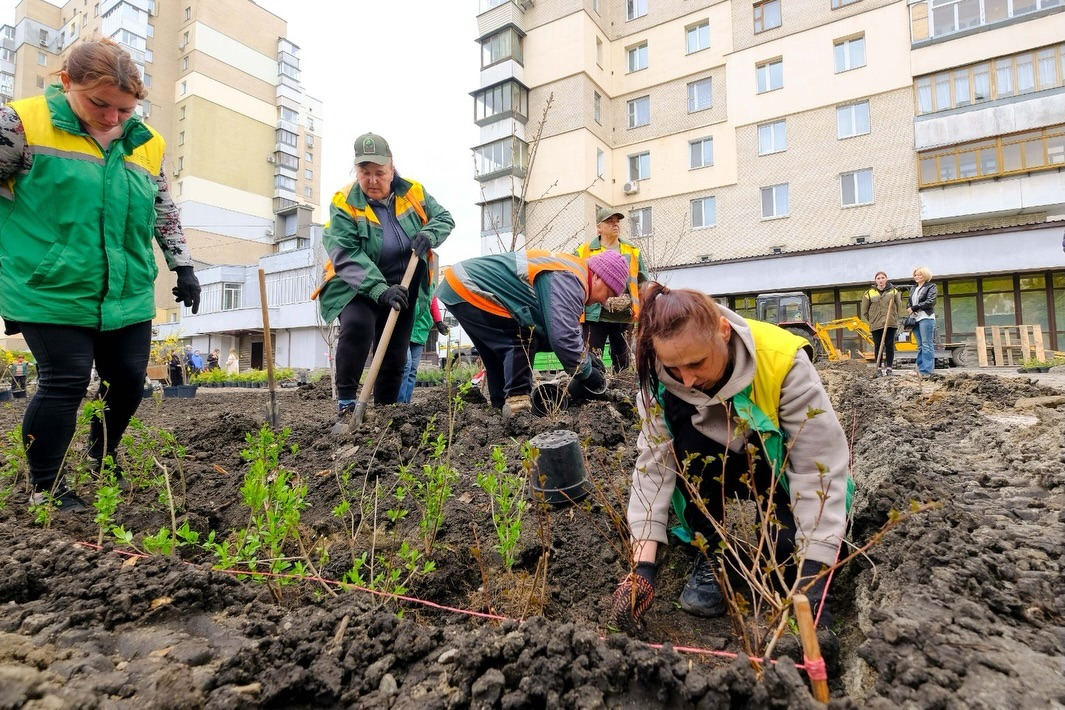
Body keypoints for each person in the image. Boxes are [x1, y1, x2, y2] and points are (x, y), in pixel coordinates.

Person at [0, 39, 200, 512]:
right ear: (67, 83)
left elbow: (162, 206)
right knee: (65, 380)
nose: (112, 118)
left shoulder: (147, 142)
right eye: (99, 104)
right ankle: (46, 489)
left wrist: (183, 264)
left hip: (127, 285)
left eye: (125, 109)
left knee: (129, 380)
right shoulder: (20, 123)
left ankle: (101, 457)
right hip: (49, 282)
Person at [612, 284, 851, 635]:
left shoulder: (782, 361)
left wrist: (815, 579)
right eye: (674, 368)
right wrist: (642, 568)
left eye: (696, 363)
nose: (687, 378)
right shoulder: (657, 377)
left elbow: (818, 466)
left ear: (723, 332)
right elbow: (654, 468)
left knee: (785, 557)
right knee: (686, 439)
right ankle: (711, 552)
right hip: (706, 470)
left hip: (774, 468)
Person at [312, 132, 453, 420]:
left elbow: (445, 218)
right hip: (356, 285)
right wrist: (379, 290)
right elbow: (345, 253)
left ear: (392, 168)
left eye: (379, 173)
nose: (372, 180)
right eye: (365, 173)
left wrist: (429, 233)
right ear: (357, 171)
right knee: (358, 327)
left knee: (395, 351)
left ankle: (387, 414)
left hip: (404, 284)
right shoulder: (344, 202)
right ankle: (347, 404)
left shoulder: (414, 192)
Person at [435, 249, 630, 418]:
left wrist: (583, 356)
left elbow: (555, 331)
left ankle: (499, 405)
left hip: (459, 285)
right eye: (609, 293)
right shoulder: (571, 278)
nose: (605, 302)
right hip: (470, 286)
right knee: (521, 337)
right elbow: (562, 338)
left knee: (497, 354)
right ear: (597, 277)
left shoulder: (570, 270)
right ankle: (518, 408)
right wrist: (587, 373)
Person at [574, 207, 647, 373]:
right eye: (610, 222)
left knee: (623, 361)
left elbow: (642, 281)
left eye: (617, 222)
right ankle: (593, 387)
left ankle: (620, 389)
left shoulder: (632, 251)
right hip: (594, 316)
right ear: (599, 227)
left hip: (624, 316)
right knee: (591, 357)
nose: (615, 225)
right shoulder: (584, 251)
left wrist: (630, 300)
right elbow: (574, 279)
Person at [398, 296, 448, 404]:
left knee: (412, 370)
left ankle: (406, 405)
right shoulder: (408, 279)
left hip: (421, 329)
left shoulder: (430, 284)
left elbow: (432, 300)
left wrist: (439, 322)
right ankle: (399, 403)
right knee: (406, 366)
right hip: (404, 328)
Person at [860, 271, 903, 377]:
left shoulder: (893, 291)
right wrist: (873, 320)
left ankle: (889, 369)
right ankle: (878, 369)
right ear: (876, 280)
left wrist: (895, 318)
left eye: (883, 277)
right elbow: (864, 311)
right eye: (878, 278)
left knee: (889, 345)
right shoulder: (869, 293)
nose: (881, 280)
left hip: (890, 323)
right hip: (876, 324)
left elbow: (899, 307)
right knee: (878, 345)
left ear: (886, 279)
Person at [908, 266, 938, 378]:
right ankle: (919, 369)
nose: (917, 276)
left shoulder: (931, 286)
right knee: (920, 345)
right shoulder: (913, 288)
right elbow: (909, 302)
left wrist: (914, 307)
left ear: (925, 275)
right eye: (915, 274)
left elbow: (930, 301)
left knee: (927, 344)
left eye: (919, 274)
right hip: (915, 319)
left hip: (926, 317)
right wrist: (910, 308)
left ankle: (927, 371)